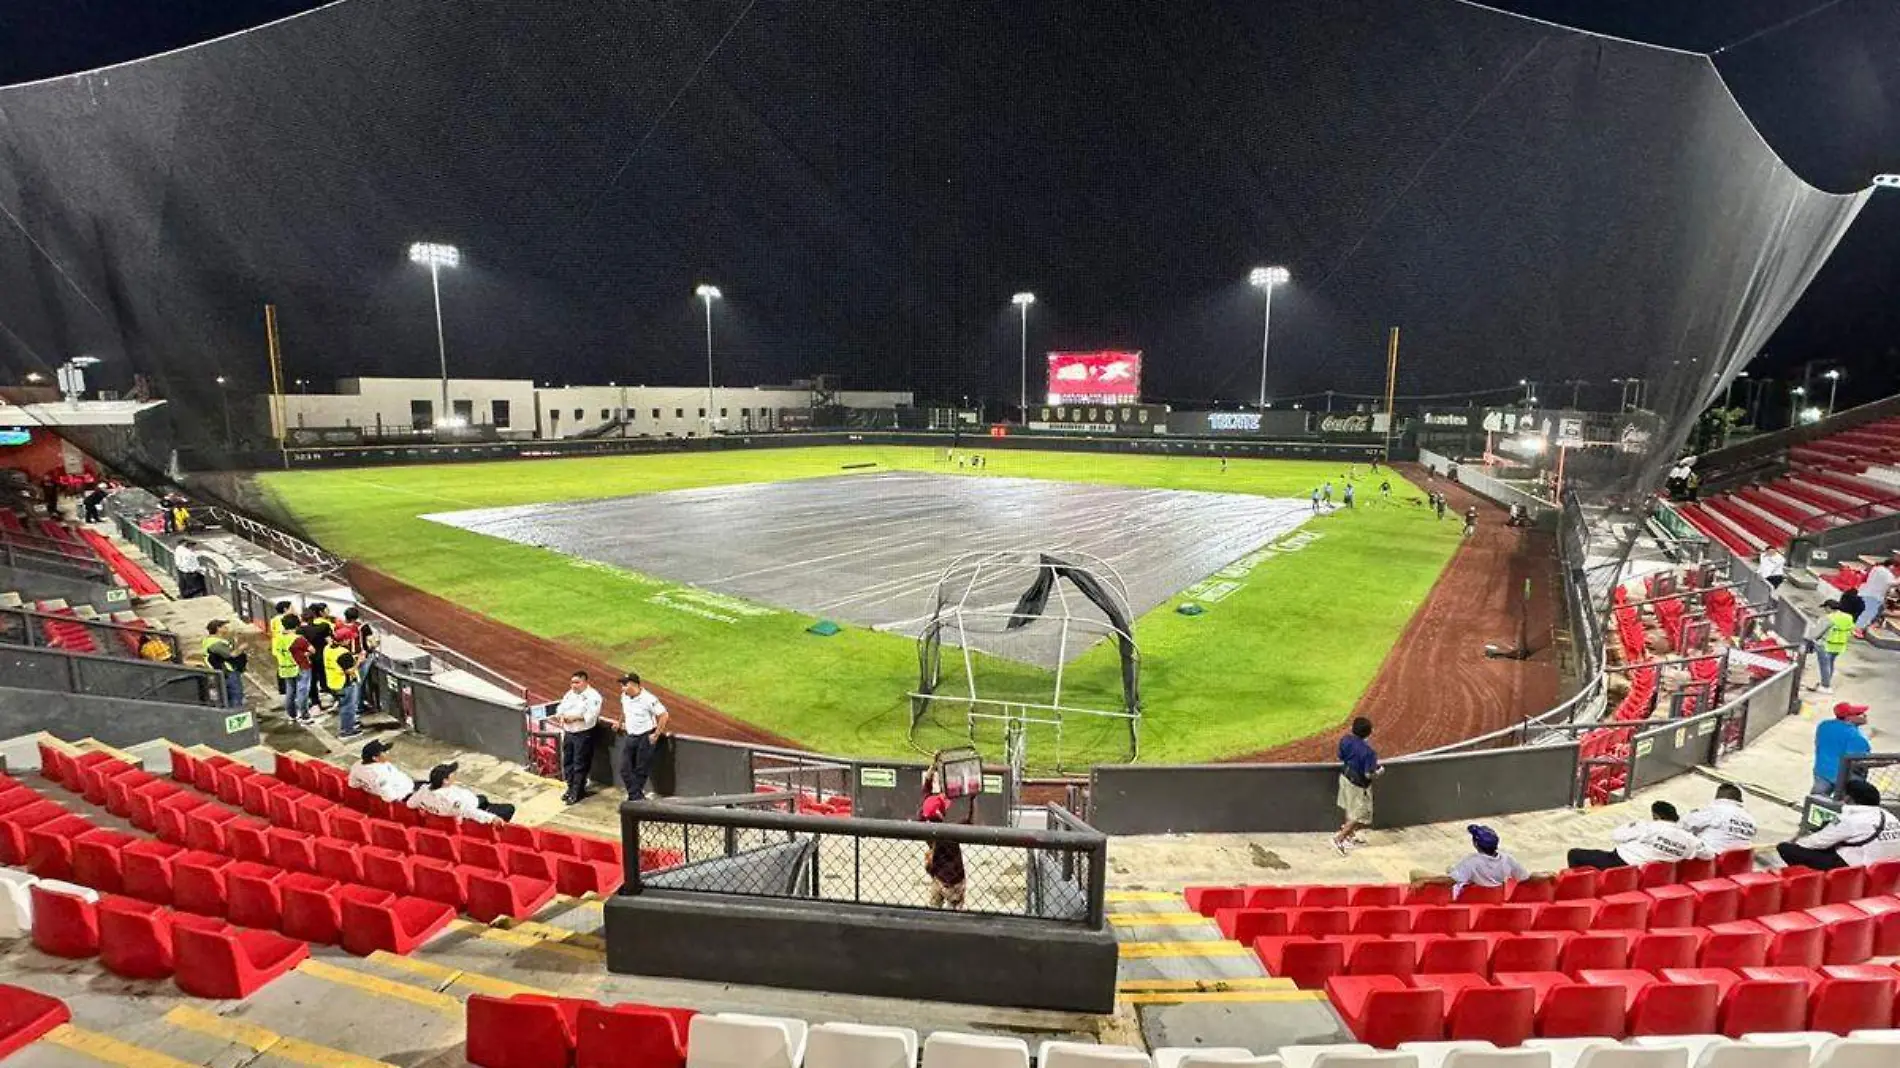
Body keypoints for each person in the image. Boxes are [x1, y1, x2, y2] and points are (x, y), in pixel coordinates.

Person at [1776, 779, 1900, 870]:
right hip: (1885, 869)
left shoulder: (1850, 819)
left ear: (1848, 798)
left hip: (1858, 869)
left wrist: (1797, 843)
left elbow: (1818, 841)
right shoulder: (1889, 816)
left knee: (1786, 848)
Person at [1565, 801, 1712, 869]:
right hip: (1652, 873)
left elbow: (1616, 836)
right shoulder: (1690, 839)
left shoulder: (1648, 827)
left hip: (1620, 862)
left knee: (1574, 854)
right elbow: (1709, 855)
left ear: (1656, 815)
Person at [1410, 824, 1531, 899]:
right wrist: (1548, 875)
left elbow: (1449, 881)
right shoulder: (1507, 859)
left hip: (1468, 897)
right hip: (1493, 897)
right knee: (1450, 868)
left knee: (1415, 873)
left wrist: (1425, 880)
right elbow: (1526, 877)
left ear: (1476, 844)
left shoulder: (1472, 862)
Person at [550, 670, 603, 805]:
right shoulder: (570, 694)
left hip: (583, 734)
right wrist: (560, 716)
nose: (574, 685)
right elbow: (561, 707)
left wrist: (573, 718)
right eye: (572, 682)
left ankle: (577, 792)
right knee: (568, 762)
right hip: (569, 733)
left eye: (577, 682)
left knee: (580, 763)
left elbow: (590, 716)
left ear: (585, 682)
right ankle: (570, 788)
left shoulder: (594, 696)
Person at [616, 672, 670, 801]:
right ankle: (636, 797)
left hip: (645, 737)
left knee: (641, 769)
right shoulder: (624, 696)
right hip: (631, 736)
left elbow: (664, 715)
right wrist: (619, 723)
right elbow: (624, 711)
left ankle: (634, 797)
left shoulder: (649, 699)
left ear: (634, 684)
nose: (622, 688)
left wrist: (656, 735)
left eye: (625, 684)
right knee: (625, 769)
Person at [1332, 717, 1381, 855]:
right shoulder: (1369, 752)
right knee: (1359, 814)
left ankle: (1349, 836)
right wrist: (1379, 772)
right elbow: (1368, 774)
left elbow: (1341, 757)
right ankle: (1339, 838)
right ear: (1369, 733)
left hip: (1345, 778)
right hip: (1358, 785)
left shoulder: (1345, 740)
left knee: (1350, 808)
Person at [407, 762, 514, 824]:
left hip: (470, 802)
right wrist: (492, 818)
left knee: (483, 798)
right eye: (451, 774)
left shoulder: (424, 791)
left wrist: (426, 807)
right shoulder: (451, 800)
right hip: (471, 810)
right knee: (508, 808)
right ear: (445, 781)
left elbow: (410, 804)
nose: (454, 774)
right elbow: (470, 812)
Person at [919, 793, 969, 910]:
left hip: (938, 879)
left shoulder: (925, 831)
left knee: (933, 910)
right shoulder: (951, 832)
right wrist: (972, 801)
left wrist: (928, 781)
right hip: (955, 881)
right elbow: (969, 820)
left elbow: (923, 812)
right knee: (955, 912)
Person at [1812, 702, 1872, 798]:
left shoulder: (1824, 725)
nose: (1865, 716)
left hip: (1822, 771)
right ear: (1849, 718)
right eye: (1859, 714)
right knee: (1844, 805)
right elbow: (1860, 762)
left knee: (1816, 801)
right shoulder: (1856, 736)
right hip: (1846, 778)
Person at [1679, 783, 1759, 854]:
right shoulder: (1751, 819)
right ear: (1740, 800)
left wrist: (1691, 814)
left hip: (1714, 861)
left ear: (1717, 797)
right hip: (1739, 864)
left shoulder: (1715, 810)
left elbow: (1685, 824)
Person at [1804, 598, 1855, 695]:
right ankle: (1826, 683)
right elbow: (1850, 630)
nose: (1825, 610)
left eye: (1825, 608)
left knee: (1824, 666)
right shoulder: (1848, 617)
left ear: (1829, 607)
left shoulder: (1828, 618)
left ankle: (1825, 686)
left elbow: (1815, 633)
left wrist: (1808, 637)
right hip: (1839, 646)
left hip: (1826, 645)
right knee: (1830, 664)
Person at [273, 612, 314, 724]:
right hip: (300, 667)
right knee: (302, 692)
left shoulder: (277, 638)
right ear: (297, 625)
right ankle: (305, 716)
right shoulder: (299, 639)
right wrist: (306, 655)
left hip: (284, 667)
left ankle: (292, 715)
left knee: (290, 692)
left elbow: (276, 652)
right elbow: (312, 650)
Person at [347, 740, 419, 803]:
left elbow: (352, 784)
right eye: (384, 752)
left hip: (407, 784)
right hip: (406, 795)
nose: (388, 752)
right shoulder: (379, 775)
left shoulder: (357, 765)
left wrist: (367, 786)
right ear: (375, 758)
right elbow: (389, 797)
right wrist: (403, 794)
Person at [201, 620, 247, 709]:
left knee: (228, 697)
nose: (227, 628)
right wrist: (242, 648)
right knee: (236, 697)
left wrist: (234, 641)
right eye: (224, 627)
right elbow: (232, 655)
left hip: (221, 673)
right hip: (228, 673)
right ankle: (234, 714)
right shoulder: (215, 643)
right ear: (218, 628)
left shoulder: (212, 640)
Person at [299, 606, 335, 705]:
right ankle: (335, 697)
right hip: (323, 656)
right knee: (326, 677)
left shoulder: (299, 631)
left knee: (312, 681)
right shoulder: (323, 626)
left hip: (309, 659)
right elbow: (330, 642)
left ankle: (315, 702)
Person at [326, 642, 362, 738]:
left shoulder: (328, 648)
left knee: (344, 706)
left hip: (333, 682)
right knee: (348, 707)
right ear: (344, 640)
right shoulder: (343, 653)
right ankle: (347, 731)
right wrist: (359, 661)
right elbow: (349, 670)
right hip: (344, 684)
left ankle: (348, 725)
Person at [1854, 557, 1896, 636]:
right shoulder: (1886, 573)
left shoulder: (1876, 568)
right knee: (1869, 613)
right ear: (1891, 566)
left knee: (1868, 612)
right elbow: (1891, 583)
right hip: (1874, 596)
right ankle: (1858, 630)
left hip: (1867, 593)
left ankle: (1860, 628)